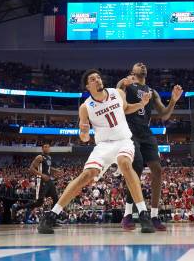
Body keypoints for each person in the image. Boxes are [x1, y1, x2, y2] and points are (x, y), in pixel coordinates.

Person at [37, 69, 155, 234]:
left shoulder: (117, 92)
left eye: (99, 77)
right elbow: (84, 138)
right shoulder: (85, 107)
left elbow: (126, 108)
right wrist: (84, 133)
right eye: (93, 79)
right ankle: (51, 215)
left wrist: (142, 104)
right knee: (86, 175)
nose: (98, 80)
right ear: (87, 86)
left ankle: (143, 215)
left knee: (125, 163)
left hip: (123, 141)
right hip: (103, 146)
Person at [116, 62, 183, 231]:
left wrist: (173, 101)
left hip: (145, 132)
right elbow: (118, 102)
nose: (142, 64)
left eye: (143, 64)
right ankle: (128, 214)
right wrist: (122, 83)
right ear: (132, 71)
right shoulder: (127, 84)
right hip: (130, 131)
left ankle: (154, 216)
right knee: (136, 168)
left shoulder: (152, 92)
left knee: (158, 170)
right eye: (138, 64)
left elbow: (165, 115)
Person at [29, 143, 59, 209]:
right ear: (42, 148)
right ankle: (19, 207)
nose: (47, 148)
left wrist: (56, 170)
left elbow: (48, 167)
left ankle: (52, 214)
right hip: (41, 180)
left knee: (56, 198)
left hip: (48, 180)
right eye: (45, 147)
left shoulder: (49, 157)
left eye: (48, 147)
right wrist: (42, 175)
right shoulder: (40, 157)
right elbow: (31, 168)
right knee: (39, 203)